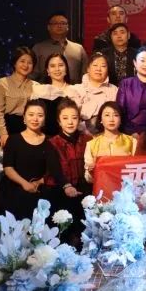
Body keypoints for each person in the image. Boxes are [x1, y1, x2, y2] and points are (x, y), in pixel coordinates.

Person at [0, 100, 70, 220]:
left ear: (44, 119)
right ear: (24, 118)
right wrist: (24, 184)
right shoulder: (13, 140)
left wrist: (39, 182)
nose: (35, 119)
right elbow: (8, 168)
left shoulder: (50, 141)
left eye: (40, 115)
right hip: (15, 187)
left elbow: (54, 169)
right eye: (31, 114)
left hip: (41, 188)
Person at [48, 98, 92, 243]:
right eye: (65, 118)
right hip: (62, 190)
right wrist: (66, 186)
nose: (70, 122)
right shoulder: (52, 143)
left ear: (79, 119)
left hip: (85, 189)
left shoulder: (88, 139)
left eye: (74, 118)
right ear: (59, 121)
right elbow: (54, 170)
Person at [0, 46, 39, 147]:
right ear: (14, 63)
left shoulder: (36, 86)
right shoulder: (2, 83)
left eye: (30, 63)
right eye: (22, 61)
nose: (26, 65)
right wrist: (3, 134)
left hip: (29, 127)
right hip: (8, 128)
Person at [84, 102, 137, 183]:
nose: (111, 119)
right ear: (101, 119)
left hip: (126, 187)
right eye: (107, 115)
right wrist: (91, 171)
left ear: (121, 119)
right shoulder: (91, 144)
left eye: (116, 115)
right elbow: (88, 179)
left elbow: (137, 169)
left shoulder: (132, 142)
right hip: (102, 187)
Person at [67, 53, 118, 135]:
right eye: (95, 65)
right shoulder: (75, 89)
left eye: (103, 66)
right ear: (88, 68)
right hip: (80, 134)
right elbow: (72, 116)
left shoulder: (114, 90)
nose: (98, 69)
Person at [32, 12, 88, 83]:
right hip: (46, 88)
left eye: (63, 23)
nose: (59, 26)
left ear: (68, 27)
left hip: (75, 88)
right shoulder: (39, 48)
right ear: (48, 27)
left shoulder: (79, 48)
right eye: (55, 23)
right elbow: (32, 75)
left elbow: (86, 74)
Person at [30, 53, 74, 137]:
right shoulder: (39, 90)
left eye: (60, 65)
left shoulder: (74, 90)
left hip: (68, 137)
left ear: (66, 68)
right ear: (47, 70)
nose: (57, 69)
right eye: (52, 66)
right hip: (42, 137)